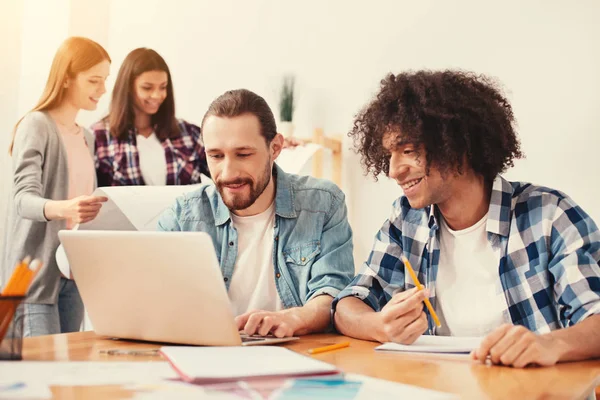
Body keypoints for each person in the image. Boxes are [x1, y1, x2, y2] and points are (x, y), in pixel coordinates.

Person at [333, 70, 600, 367]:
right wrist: (377, 324)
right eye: (389, 155)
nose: (394, 170)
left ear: (456, 145)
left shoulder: (549, 215)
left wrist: (549, 344)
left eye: (407, 150)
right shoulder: (406, 221)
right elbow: (348, 304)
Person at [158, 89, 354, 337]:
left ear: (275, 148)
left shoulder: (323, 203)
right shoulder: (182, 215)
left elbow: (333, 294)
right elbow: (154, 299)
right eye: (216, 156)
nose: (228, 172)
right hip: (208, 356)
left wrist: (292, 318)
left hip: (298, 356)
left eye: (243, 154)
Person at [3, 37, 111, 336]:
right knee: (42, 372)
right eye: (94, 80)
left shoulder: (87, 137)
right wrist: (68, 207)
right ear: (66, 79)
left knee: (67, 370)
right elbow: (23, 200)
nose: (103, 90)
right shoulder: (36, 125)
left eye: (105, 80)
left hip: (73, 271)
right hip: (36, 275)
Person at [92, 48, 210, 186]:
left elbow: (225, 175)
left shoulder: (190, 134)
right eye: (147, 88)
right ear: (128, 88)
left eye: (163, 87)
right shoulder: (99, 137)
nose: (157, 95)